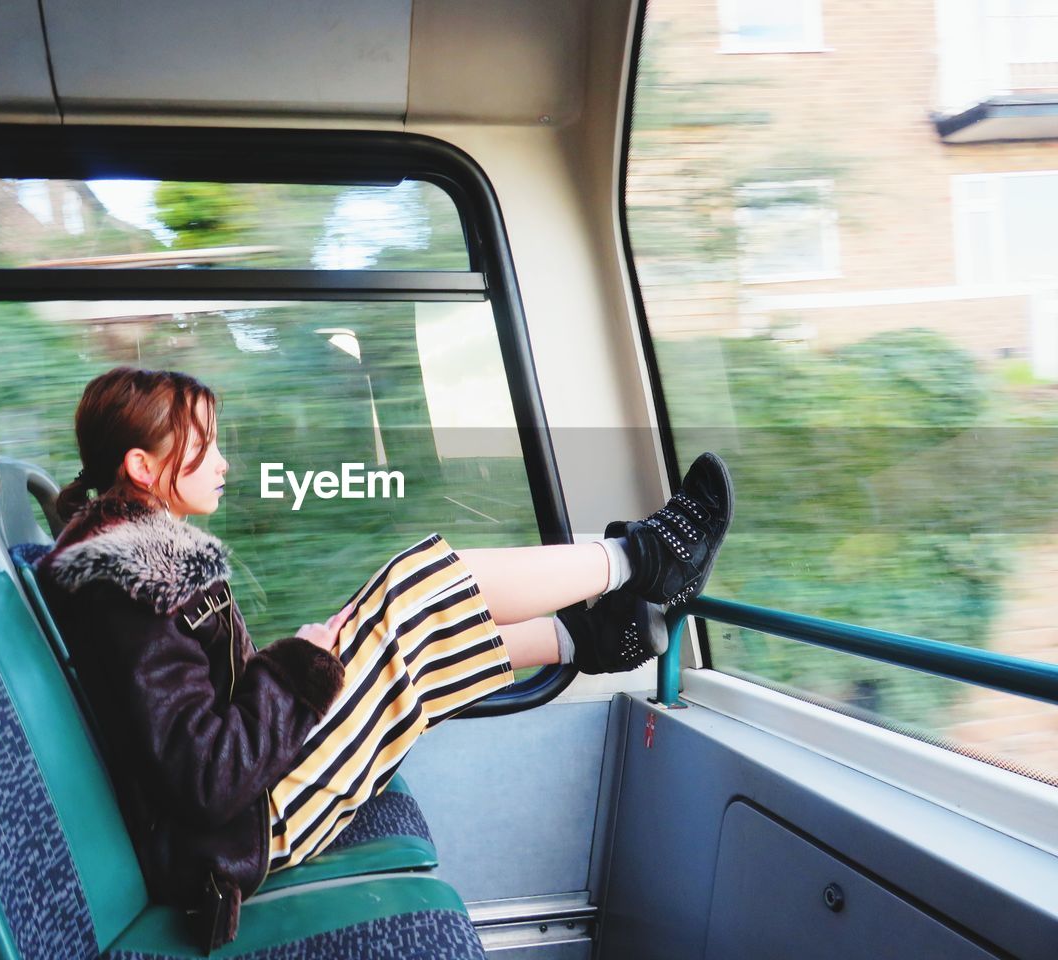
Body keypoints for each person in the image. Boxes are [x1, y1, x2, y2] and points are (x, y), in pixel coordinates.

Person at [36, 367, 733, 950]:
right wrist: (296, 668)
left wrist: (303, 654)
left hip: (248, 801)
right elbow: (208, 776)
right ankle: (645, 559)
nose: (224, 464)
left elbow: (205, 714)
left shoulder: (140, 562)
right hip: (244, 829)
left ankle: (592, 639)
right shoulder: (127, 588)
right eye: (204, 447)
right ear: (141, 466)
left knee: (391, 618)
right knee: (413, 591)